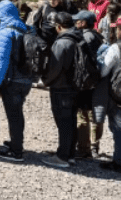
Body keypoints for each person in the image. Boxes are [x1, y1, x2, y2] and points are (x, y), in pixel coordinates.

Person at [0, 0, 31, 162]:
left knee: (13, 115)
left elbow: (1, 60)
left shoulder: (5, 32)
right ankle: (16, 142)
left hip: (11, 81)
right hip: (26, 80)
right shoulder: (26, 29)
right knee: (17, 113)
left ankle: (16, 151)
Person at [41, 12, 81, 169]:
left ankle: (62, 157)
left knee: (63, 123)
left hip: (61, 87)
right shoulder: (79, 38)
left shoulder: (62, 43)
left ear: (59, 27)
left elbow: (54, 68)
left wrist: (45, 81)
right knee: (71, 121)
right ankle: (70, 154)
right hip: (75, 86)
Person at [72, 11, 105, 159]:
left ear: (83, 23)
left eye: (77, 21)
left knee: (82, 115)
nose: (75, 23)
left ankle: (84, 149)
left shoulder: (84, 38)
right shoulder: (97, 36)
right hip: (97, 81)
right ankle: (94, 146)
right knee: (95, 116)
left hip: (85, 83)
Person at [99, 18, 121, 172]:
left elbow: (103, 71)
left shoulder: (116, 48)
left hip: (118, 97)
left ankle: (118, 162)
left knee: (118, 129)